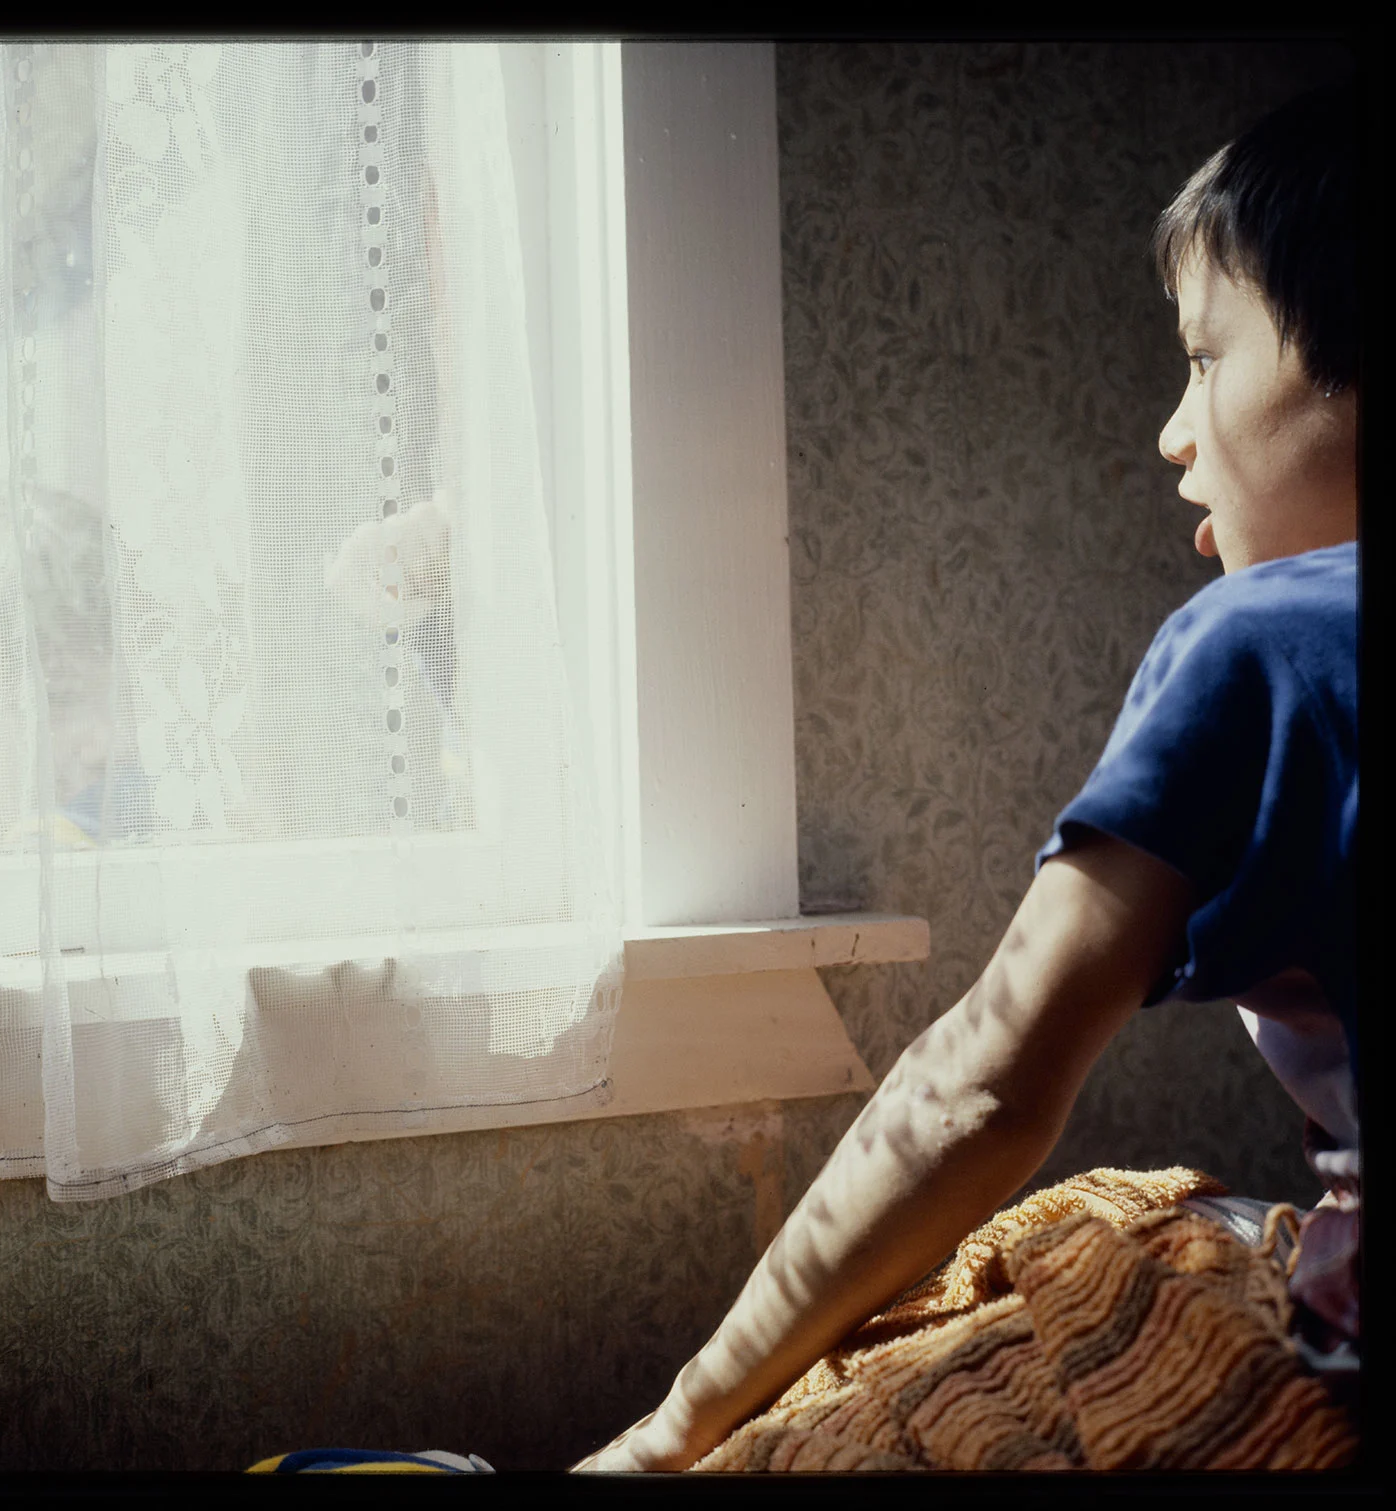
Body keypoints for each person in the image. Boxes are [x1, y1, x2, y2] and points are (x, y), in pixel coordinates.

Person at [574, 79, 1359, 1472]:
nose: (1178, 435)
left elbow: (974, 1087)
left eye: (1205, 358)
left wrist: (676, 1421)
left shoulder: (1265, 647)